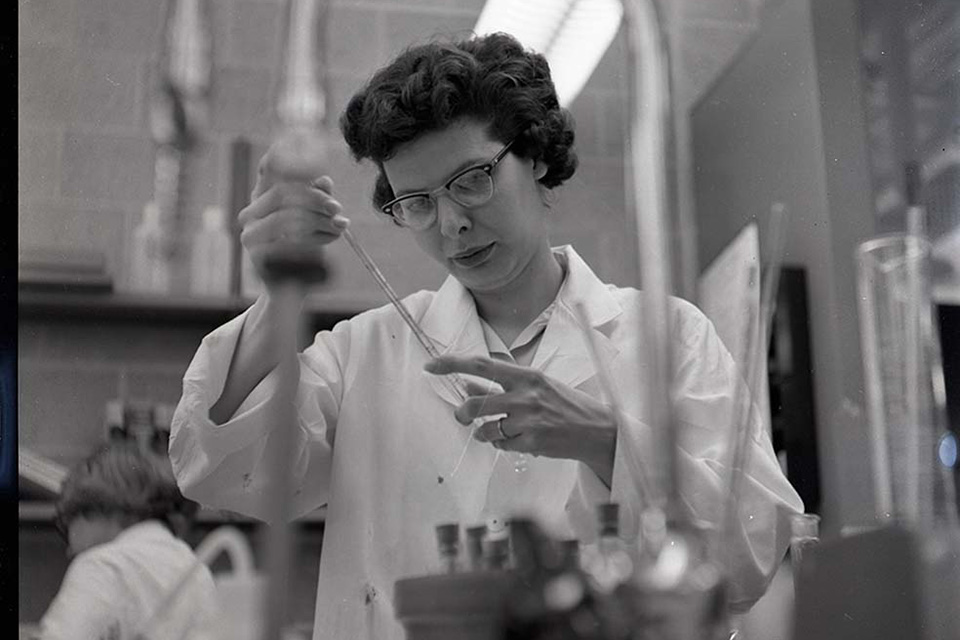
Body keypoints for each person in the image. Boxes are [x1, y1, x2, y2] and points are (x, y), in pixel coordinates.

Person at [169, 32, 803, 640]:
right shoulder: (366, 354)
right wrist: (278, 298)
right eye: (415, 201)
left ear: (535, 155)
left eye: (472, 179)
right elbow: (222, 469)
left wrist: (603, 440)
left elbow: (755, 550)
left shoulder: (670, 338)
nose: (452, 225)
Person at [39, 443, 218, 640]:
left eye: (65, 526)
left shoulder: (103, 565)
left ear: (92, 509)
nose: (69, 550)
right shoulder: (198, 571)